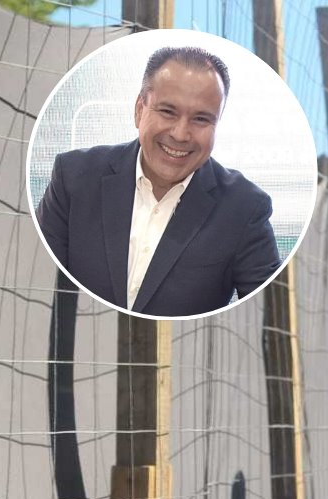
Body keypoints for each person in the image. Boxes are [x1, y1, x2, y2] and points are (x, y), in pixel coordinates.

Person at [36, 46, 280, 317]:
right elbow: (34, 280)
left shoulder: (245, 209)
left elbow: (268, 316)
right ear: (140, 109)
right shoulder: (73, 178)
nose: (180, 133)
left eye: (201, 119)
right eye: (168, 112)